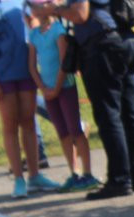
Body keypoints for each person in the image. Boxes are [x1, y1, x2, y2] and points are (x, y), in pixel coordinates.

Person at [37, 0, 134, 200]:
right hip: (126, 41)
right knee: (129, 112)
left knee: (108, 115)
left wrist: (54, 10)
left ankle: (119, 179)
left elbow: (80, 14)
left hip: (103, 47)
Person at [0, 0, 60, 198]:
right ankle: (18, 178)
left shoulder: (20, 2)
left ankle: (34, 176)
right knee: (10, 124)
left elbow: (35, 26)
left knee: (29, 122)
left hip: (26, 70)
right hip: (2, 75)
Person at [27, 11, 99, 192]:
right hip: (48, 90)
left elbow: (64, 63)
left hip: (65, 88)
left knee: (75, 130)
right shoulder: (34, 35)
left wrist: (56, 88)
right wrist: (43, 89)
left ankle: (88, 173)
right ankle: (74, 173)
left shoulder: (58, 31)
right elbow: (32, 66)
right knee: (63, 133)